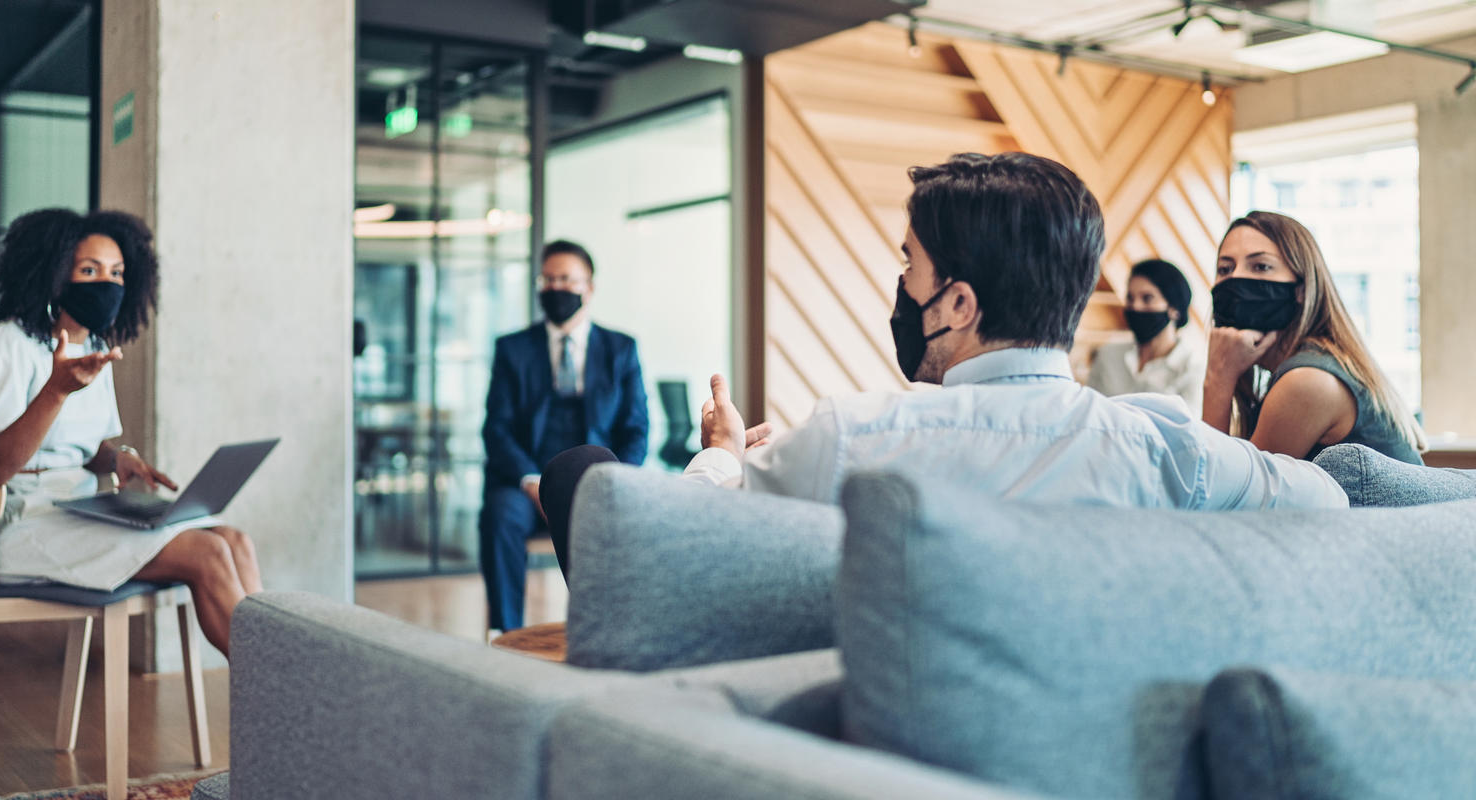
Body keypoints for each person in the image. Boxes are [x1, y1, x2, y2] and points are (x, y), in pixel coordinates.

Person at [541, 152, 1346, 540]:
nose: (901, 285)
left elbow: (668, 544)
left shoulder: (853, 438)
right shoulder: (1161, 444)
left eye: (908, 265)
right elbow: (1331, 501)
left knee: (579, 472)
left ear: (956, 303)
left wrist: (721, 455)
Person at [0, 208, 260, 656]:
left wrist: (118, 459)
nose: (108, 284)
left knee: (233, 540)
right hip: (22, 527)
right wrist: (55, 392)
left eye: (117, 272)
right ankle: (280, 696)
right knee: (207, 554)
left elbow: (84, 448)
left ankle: (280, 679)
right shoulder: (7, 344)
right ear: (54, 273)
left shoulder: (95, 347)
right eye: (89, 270)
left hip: (82, 511)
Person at [480, 240, 648, 631]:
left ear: (588, 288)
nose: (557, 288)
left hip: (597, 481)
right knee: (499, 516)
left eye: (567, 279)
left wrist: (614, 482)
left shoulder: (621, 349)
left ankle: (611, 632)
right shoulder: (512, 349)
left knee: (626, 518)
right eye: (549, 279)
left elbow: (636, 429)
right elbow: (497, 428)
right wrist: (530, 481)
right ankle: (506, 634)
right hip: (526, 484)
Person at [1202, 211, 1424, 464]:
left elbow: (1219, 489)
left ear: (1301, 289)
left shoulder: (1307, 380)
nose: (1236, 278)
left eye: (1261, 266)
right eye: (1225, 269)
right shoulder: (1305, 367)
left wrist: (1218, 377)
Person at [1087, 259, 1206, 414]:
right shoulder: (1107, 355)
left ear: (1175, 309)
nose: (1135, 306)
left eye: (1147, 298)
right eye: (1130, 298)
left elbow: (1188, 432)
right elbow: (1090, 412)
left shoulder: (1192, 370)